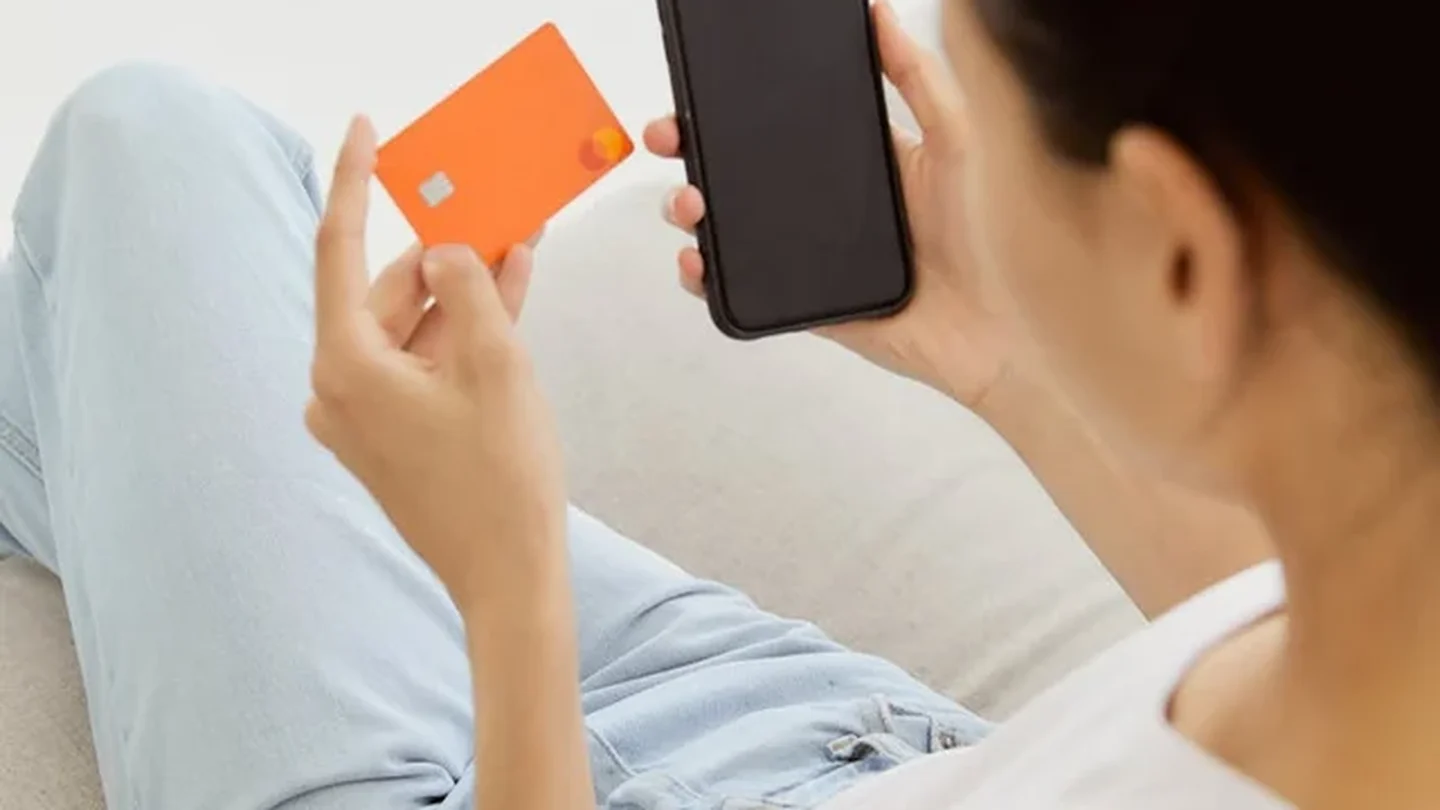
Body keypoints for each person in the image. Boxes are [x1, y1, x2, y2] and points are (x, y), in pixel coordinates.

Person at [0, 0, 1431, 806]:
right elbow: (1260, 619)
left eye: (995, 112)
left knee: (144, 143)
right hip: (823, 728)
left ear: (1181, 255)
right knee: (166, 213)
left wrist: (507, 588)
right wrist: (986, 349)